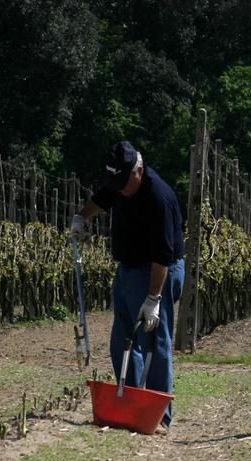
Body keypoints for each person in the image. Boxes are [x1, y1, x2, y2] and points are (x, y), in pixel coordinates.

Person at [71, 141, 185, 435]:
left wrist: (153, 299)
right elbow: (101, 199)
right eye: (116, 182)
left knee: (155, 342)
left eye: (124, 182)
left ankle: (160, 416)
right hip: (128, 270)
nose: (120, 189)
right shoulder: (120, 181)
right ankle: (133, 404)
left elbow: (163, 255)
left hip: (157, 272)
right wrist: (81, 217)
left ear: (139, 170)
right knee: (122, 339)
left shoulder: (159, 198)